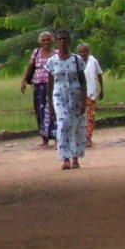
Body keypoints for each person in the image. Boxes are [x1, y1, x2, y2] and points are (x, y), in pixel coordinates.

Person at [46, 30, 88, 169]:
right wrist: (51, 106)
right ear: (57, 42)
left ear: (69, 41)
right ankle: (65, 158)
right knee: (63, 124)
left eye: (65, 39)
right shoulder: (52, 62)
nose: (62, 41)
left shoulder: (77, 60)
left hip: (75, 95)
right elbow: (50, 84)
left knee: (75, 125)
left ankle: (75, 157)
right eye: (60, 39)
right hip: (59, 95)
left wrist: (84, 101)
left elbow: (83, 81)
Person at [21, 31, 55, 147]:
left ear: (52, 41)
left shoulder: (56, 53)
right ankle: (44, 138)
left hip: (52, 86)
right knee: (39, 111)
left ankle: (54, 135)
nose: (46, 42)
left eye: (48, 39)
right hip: (38, 86)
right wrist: (24, 81)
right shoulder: (36, 52)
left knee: (52, 109)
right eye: (44, 40)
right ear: (40, 41)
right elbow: (30, 67)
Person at [77, 41, 105, 146]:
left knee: (90, 116)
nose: (83, 54)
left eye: (85, 52)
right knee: (80, 117)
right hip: (79, 94)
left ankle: (88, 137)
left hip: (91, 93)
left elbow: (99, 75)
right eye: (81, 52)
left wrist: (102, 89)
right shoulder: (76, 62)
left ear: (89, 52)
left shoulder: (93, 61)